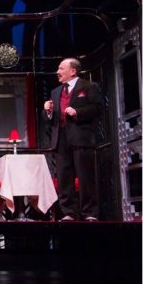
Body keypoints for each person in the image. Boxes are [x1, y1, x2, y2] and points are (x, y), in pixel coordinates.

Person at [43, 58, 102, 221]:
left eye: (61, 69)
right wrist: (48, 112)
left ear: (73, 71)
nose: (57, 72)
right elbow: (50, 119)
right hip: (60, 138)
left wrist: (78, 112)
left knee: (86, 176)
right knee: (64, 177)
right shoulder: (55, 91)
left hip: (81, 137)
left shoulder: (89, 86)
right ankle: (69, 212)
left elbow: (98, 108)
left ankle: (89, 213)